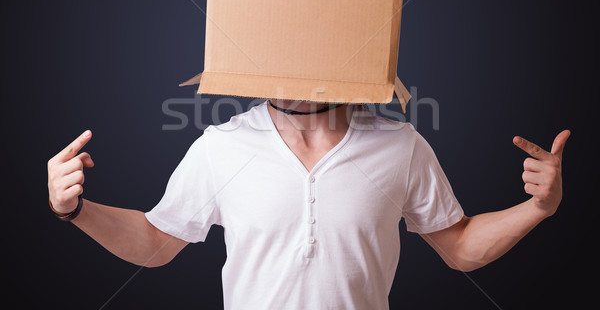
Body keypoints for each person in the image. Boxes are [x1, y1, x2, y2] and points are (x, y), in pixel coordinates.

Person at [47, 99, 570, 309]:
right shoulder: (221, 145)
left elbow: (458, 248)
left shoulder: (401, 146)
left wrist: (537, 209)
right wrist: (76, 210)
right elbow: (157, 243)